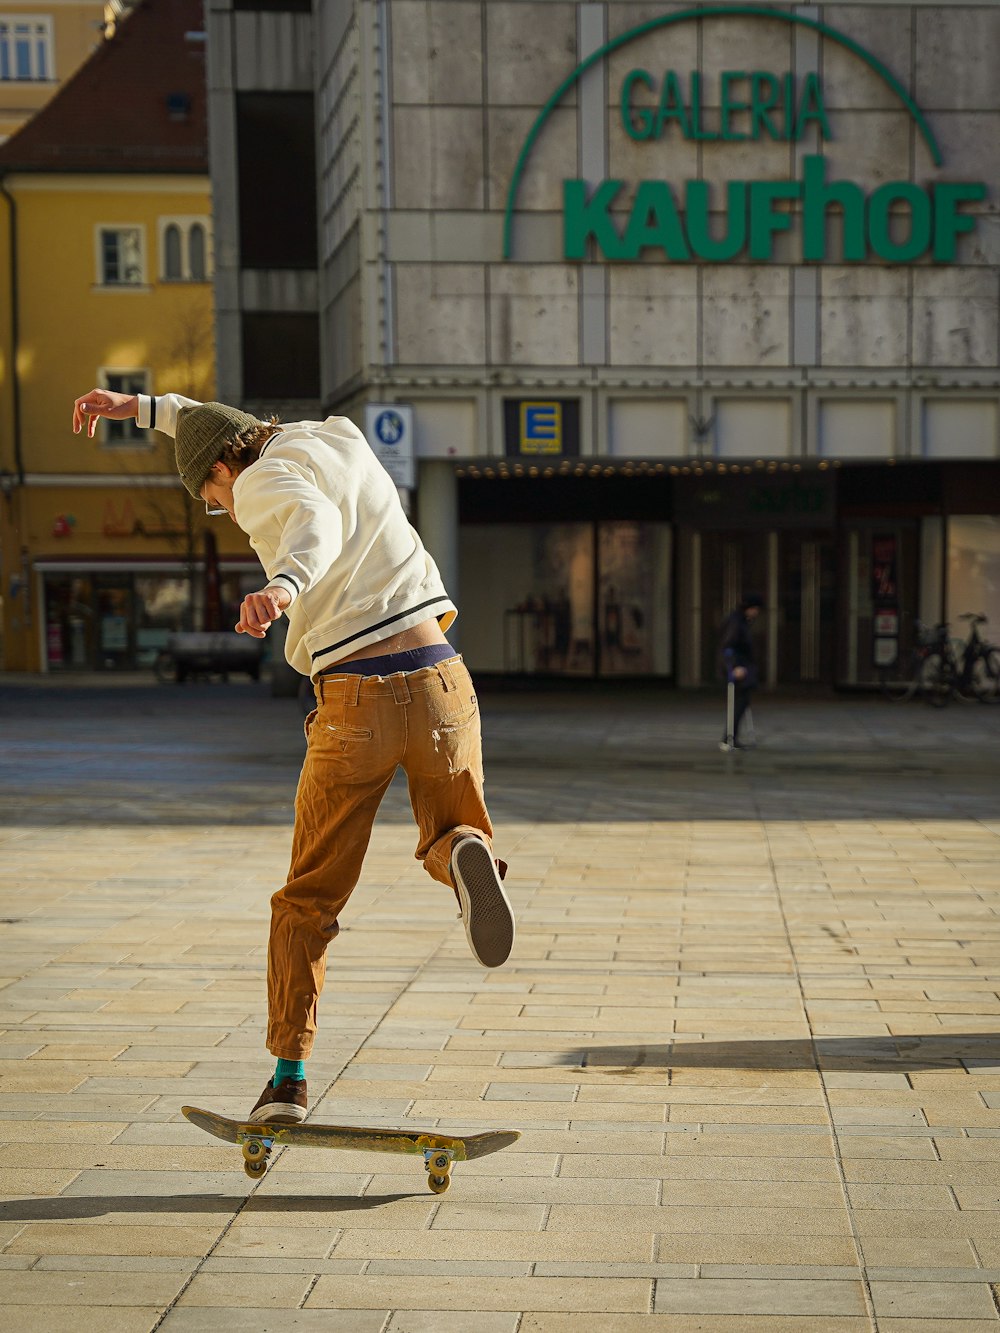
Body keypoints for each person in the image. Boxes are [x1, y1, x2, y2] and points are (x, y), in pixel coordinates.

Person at [71, 389, 515, 1123]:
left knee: (306, 900)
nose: (226, 507)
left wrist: (281, 588)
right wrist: (141, 406)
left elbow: (312, 523)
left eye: (214, 495)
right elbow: (213, 421)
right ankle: (466, 852)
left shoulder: (259, 482)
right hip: (442, 677)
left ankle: (287, 1080)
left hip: (356, 698)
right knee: (448, 827)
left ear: (224, 468)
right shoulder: (333, 434)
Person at [718, 592, 763, 750]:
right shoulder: (737, 623)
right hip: (738, 668)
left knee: (742, 702)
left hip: (743, 667)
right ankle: (728, 738)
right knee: (740, 702)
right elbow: (728, 646)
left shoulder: (741, 621)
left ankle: (730, 737)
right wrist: (733, 667)